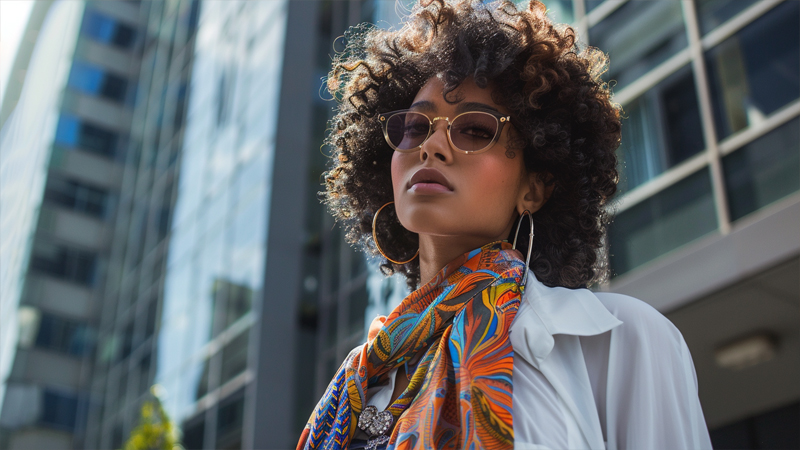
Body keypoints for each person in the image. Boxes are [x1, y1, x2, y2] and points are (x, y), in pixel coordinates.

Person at [298, 0, 713, 449]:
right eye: (416, 127)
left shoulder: (621, 340)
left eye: (475, 130)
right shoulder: (358, 379)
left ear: (534, 188)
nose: (432, 146)